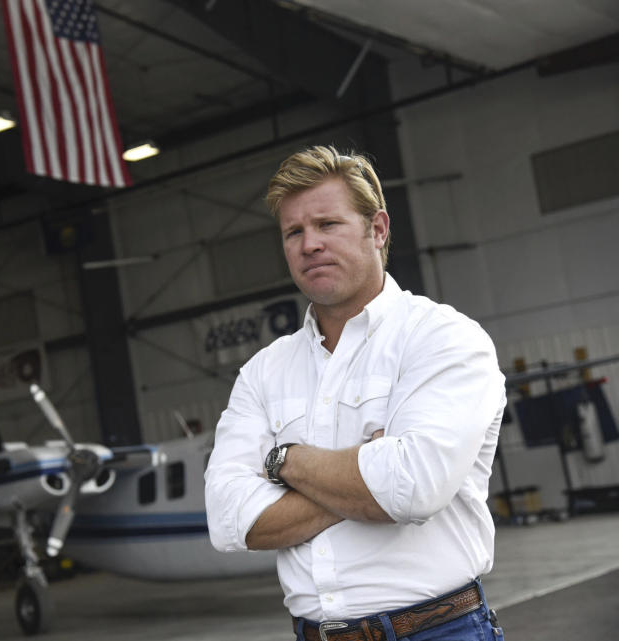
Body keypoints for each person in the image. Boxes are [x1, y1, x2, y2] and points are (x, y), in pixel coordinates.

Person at [204, 145, 506, 641]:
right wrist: (368, 472)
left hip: (438, 631)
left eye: (328, 224)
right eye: (294, 232)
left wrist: (284, 463)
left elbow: (412, 489)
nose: (309, 244)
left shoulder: (443, 338)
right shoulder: (262, 372)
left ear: (378, 229)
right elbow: (230, 520)